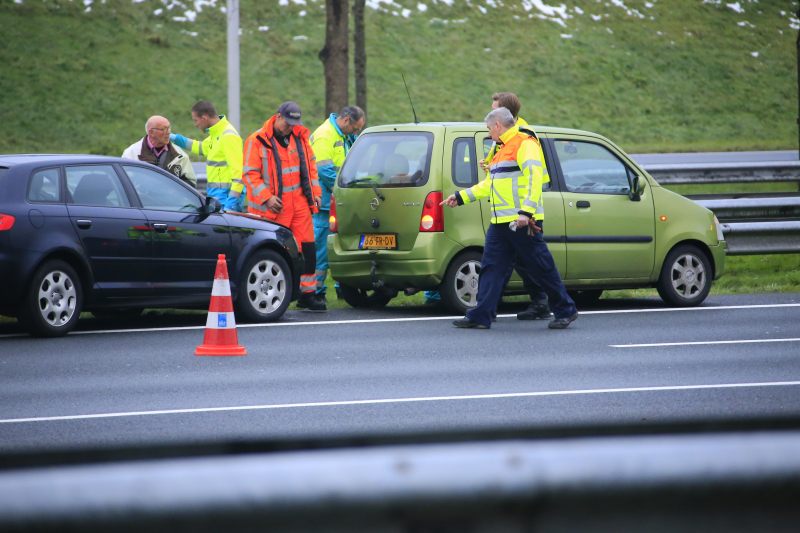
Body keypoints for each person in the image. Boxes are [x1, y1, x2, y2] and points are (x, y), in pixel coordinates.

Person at [441, 107, 578, 330]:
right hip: (501, 223)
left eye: (489, 129)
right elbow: (489, 184)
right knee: (491, 268)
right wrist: (460, 197)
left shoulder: (525, 143)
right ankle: (481, 315)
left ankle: (566, 310)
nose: (488, 134)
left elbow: (534, 179)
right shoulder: (501, 148)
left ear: (498, 125)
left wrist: (526, 212)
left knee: (540, 266)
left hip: (522, 221)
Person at [242, 102, 325, 311]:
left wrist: (316, 193)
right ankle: (276, 295)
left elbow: (311, 168)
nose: (290, 127)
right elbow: (249, 174)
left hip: (300, 203)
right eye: (287, 122)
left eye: (294, 123)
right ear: (278, 116)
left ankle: (308, 294)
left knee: (308, 248)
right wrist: (267, 198)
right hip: (274, 208)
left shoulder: (301, 138)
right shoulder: (256, 140)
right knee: (277, 251)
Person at [484, 92, 553, 322]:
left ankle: (554, 305)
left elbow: (532, 175)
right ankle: (487, 309)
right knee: (507, 262)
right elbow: (499, 162)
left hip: (521, 210)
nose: (492, 112)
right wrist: (489, 166)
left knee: (527, 262)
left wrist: (526, 211)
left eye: (495, 108)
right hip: (510, 211)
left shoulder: (522, 135)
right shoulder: (507, 134)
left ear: (504, 114)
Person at [310, 106, 365, 303]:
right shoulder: (324, 135)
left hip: (336, 202)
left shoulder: (342, 135)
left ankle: (341, 287)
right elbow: (324, 172)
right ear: (346, 121)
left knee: (339, 247)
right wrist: (343, 192)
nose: (356, 133)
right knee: (322, 250)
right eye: (356, 129)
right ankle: (315, 292)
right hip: (325, 203)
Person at [169, 101, 245, 212]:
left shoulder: (228, 136)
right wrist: (173, 138)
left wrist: (230, 206)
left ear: (204, 118)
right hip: (219, 200)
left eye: (196, 120)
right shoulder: (217, 134)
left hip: (226, 202)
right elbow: (200, 147)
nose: (195, 125)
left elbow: (239, 174)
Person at [121, 116, 196, 187]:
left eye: (169, 128)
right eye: (164, 129)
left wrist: (172, 192)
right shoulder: (131, 153)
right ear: (152, 132)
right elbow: (124, 183)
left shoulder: (180, 155)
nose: (169, 132)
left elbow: (190, 183)